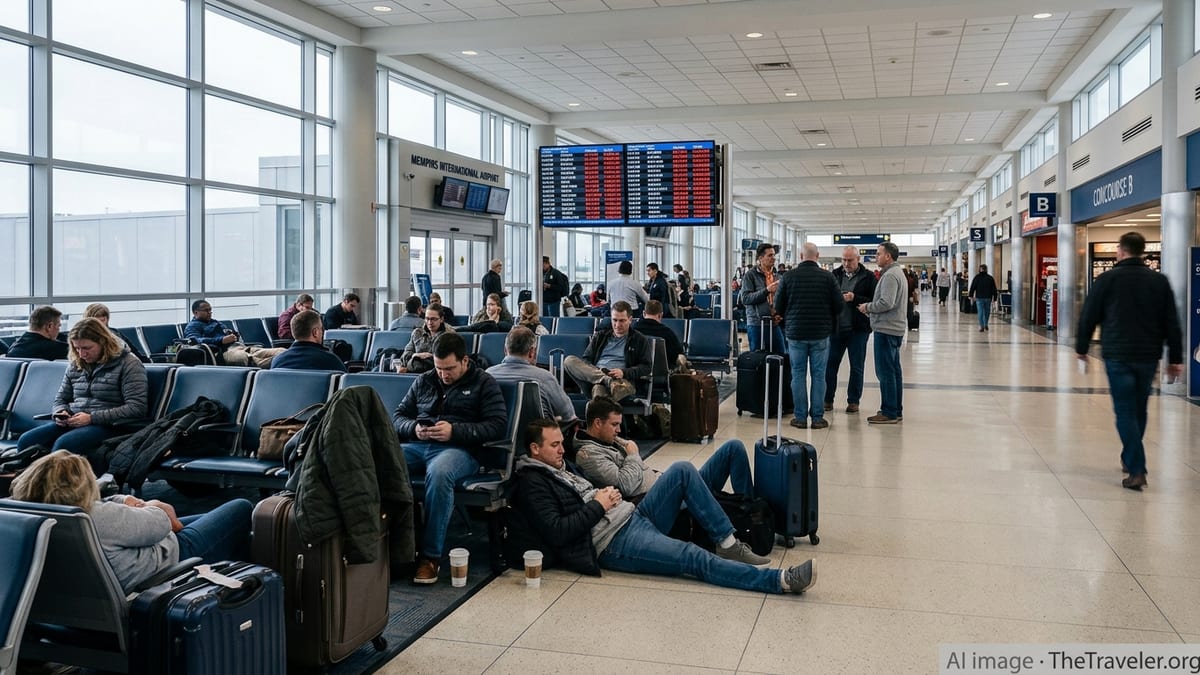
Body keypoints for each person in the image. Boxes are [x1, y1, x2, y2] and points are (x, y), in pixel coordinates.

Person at [511, 420, 816, 594]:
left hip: (631, 514)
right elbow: (558, 531)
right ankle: (779, 581)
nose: (562, 450)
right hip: (613, 541)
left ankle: (728, 542)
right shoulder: (532, 483)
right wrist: (600, 505)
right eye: (554, 445)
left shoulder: (559, 467)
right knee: (692, 556)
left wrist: (604, 498)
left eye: (561, 443)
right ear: (534, 449)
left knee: (683, 469)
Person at [12, 450, 252, 592]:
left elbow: (105, 506)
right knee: (241, 510)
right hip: (166, 563)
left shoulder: (19, 513)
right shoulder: (98, 517)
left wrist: (123, 499)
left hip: (75, 599)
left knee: (206, 520)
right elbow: (163, 521)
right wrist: (151, 504)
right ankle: (247, 591)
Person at [392, 332, 507, 584]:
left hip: (461, 451)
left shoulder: (484, 383)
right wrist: (414, 428)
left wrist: (455, 431)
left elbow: (497, 425)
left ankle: (430, 556)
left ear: (465, 360)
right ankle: (394, 547)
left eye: (449, 369)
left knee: (440, 473)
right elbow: (398, 416)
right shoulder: (424, 380)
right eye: (439, 368)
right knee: (382, 462)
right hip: (419, 445)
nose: (443, 374)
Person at [1075, 231, 1184, 491]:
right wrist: (1175, 358)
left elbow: (1089, 315)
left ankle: (1137, 469)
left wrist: (1081, 348)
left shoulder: (1107, 280)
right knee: (1139, 408)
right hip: (1148, 355)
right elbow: (1172, 322)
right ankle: (1129, 456)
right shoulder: (1159, 281)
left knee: (1124, 410)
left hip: (1118, 354)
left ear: (1121, 251)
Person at [16, 318, 148, 472]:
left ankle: (56, 485)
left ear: (103, 342)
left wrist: (92, 418)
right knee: (27, 441)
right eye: (77, 348)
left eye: (87, 348)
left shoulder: (129, 364)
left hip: (112, 425)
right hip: (75, 420)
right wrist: (60, 412)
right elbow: (61, 398)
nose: (81, 353)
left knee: (64, 446)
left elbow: (137, 407)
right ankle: (31, 483)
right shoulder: (76, 364)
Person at [575, 397, 753, 500]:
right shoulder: (589, 455)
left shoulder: (607, 440)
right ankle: (745, 515)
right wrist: (633, 455)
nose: (619, 430)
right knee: (683, 467)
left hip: (667, 483)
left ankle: (749, 506)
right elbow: (625, 486)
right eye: (614, 425)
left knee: (733, 447)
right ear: (597, 423)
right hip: (662, 498)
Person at [774, 242, 842, 430]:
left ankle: (800, 417)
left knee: (798, 374)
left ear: (801, 256)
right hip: (820, 333)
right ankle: (818, 418)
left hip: (795, 333)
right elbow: (839, 306)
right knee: (819, 375)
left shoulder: (788, 277)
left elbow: (778, 306)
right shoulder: (828, 277)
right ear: (817, 256)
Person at [562, 301, 651, 402]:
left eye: (622, 321)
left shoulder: (639, 339)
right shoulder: (600, 336)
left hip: (622, 382)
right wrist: (598, 372)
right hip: (596, 376)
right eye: (614, 320)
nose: (617, 325)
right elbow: (586, 360)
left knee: (598, 391)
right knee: (569, 360)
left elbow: (646, 367)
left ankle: (606, 387)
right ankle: (607, 381)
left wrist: (624, 372)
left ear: (630, 320)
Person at [859, 242, 907, 424]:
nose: (876, 257)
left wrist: (867, 307)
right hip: (894, 328)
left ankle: (889, 412)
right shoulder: (897, 273)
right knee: (893, 371)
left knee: (885, 372)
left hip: (887, 329)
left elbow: (886, 302)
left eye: (878, 254)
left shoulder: (890, 276)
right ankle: (895, 408)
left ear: (888, 256)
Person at [824, 246, 876, 415]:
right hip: (836, 329)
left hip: (858, 329)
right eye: (844, 260)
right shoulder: (834, 275)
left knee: (857, 366)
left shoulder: (868, 277)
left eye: (850, 260)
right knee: (830, 365)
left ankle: (853, 401)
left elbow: (874, 300)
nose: (846, 263)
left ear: (858, 259)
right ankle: (827, 399)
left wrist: (854, 298)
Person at [486, 326, 576, 423]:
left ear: (505, 350)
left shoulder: (488, 374)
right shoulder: (544, 377)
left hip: (495, 432)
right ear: (532, 352)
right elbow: (568, 415)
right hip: (537, 432)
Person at [740, 243, 784, 354]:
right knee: (757, 358)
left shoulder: (778, 276)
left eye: (774, 255)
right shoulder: (751, 275)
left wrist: (781, 314)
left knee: (780, 355)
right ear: (760, 258)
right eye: (770, 255)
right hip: (757, 324)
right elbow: (745, 298)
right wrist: (766, 290)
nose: (773, 258)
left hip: (775, 323)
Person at [270, 309, 347, 372]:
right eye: (321, 329)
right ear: (315, 332)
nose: (322, 332)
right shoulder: (331, 361)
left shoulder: (278, 361)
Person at [399, 303, 456, 373]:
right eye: (427, 319)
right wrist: (417, 355)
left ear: (441, 319)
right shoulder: (417, 333)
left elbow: (449, 359)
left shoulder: (449, 335)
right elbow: (405, 355)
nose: (429, 322)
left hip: (438, 373)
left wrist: (428, 357)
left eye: (433, 319)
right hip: (416, 371)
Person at [83, 303, 149, 362]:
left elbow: (134, 352)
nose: (100, 323)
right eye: (97, 319)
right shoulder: (84, 337)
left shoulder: (115, 332)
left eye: (103, 319)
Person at [632, 299, 685, 370]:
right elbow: (677, 357)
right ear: (661, 315)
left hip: (636, 371)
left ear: (644, 313)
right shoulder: (667, 333)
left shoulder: (633, 331)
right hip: (661, 372)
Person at [969, 264, 998, 332]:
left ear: (980, 269)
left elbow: (973, 287)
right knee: (987, 312)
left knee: (980, 312)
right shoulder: (990, 278)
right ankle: (986, 324)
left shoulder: (977, 277)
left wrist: (971, 295)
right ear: (986, 269)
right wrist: (995, 298)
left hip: (979, 297)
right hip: (988, 297)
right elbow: (994, 289)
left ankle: (982, 326)